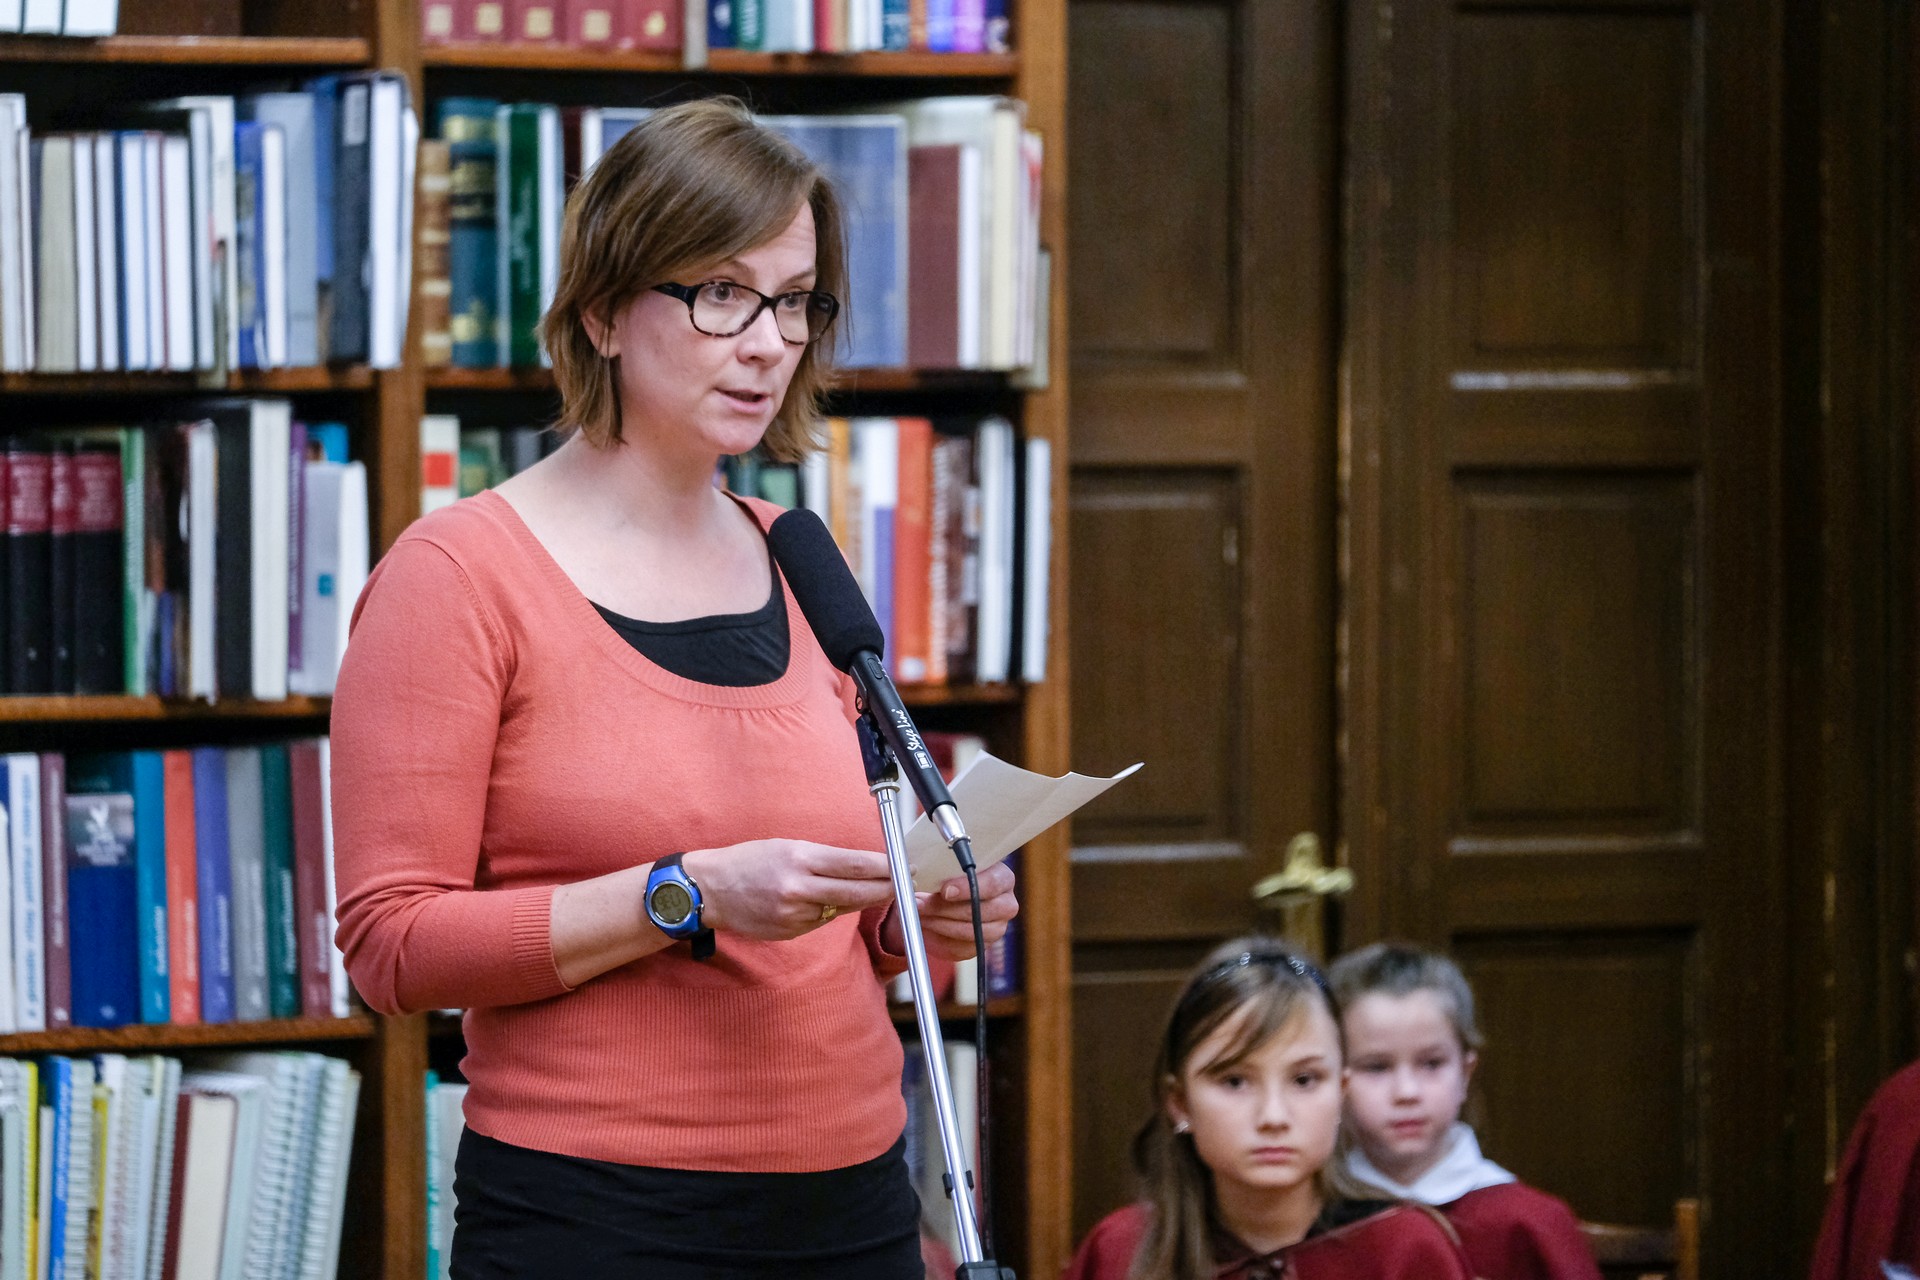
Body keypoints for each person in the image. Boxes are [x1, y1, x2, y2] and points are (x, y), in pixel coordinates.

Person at [329, 96, 1018, 1280]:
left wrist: (921, 922)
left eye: (795, 301)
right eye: (722, 293)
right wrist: (681, 893)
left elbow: (833, 943)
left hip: (856, 1200)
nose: (768, 342)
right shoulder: (457, 576)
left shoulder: (801, 559)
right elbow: (392, 945)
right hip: (600, 1217)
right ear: (602, 310)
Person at [1063, 937, 1478, 1280]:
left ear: (1341, 1092)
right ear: (1180, 1103)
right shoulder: (1119, 1250)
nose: (1273, 1117)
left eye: (1304, 1080)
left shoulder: (1404, 1248)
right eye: (1234, 1082)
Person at [1327, 942, 1599, 1280]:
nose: (1407, 1092)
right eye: (1377, 1067)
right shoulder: (1315, 1224)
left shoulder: (1530, 1221)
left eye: (1431, 1064)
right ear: (1336, 1080)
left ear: (1465, 1074)